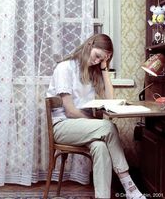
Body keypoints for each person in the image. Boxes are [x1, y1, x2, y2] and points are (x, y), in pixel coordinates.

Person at [46, 34, 146, 199]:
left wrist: (104, 69)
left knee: (100, 147)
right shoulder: (64, 68)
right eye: (97, 56)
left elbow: (110, 100)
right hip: (62, 126)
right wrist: (97, 124)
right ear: (89, 45)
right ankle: (129, 185)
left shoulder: (92, 72)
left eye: (101, 60)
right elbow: (70, 111)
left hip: (82, 128)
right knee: (108, 127)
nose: (96, 61)